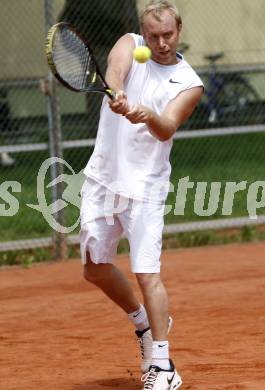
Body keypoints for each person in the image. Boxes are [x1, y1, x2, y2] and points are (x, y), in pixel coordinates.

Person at [80, 1, 203, 389]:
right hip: (102, 179)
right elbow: (116, 71)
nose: (161, 43)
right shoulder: (129, 45)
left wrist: (146, 114)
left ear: (179, 30)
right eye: (154, 36)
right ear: (143, 33)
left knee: (147, 273)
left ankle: (163, 368)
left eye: (168, 34)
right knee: (93, 268)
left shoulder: (189, 81)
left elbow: (167, 126)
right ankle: (145, 323)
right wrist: (117, 93)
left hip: (146, 187)